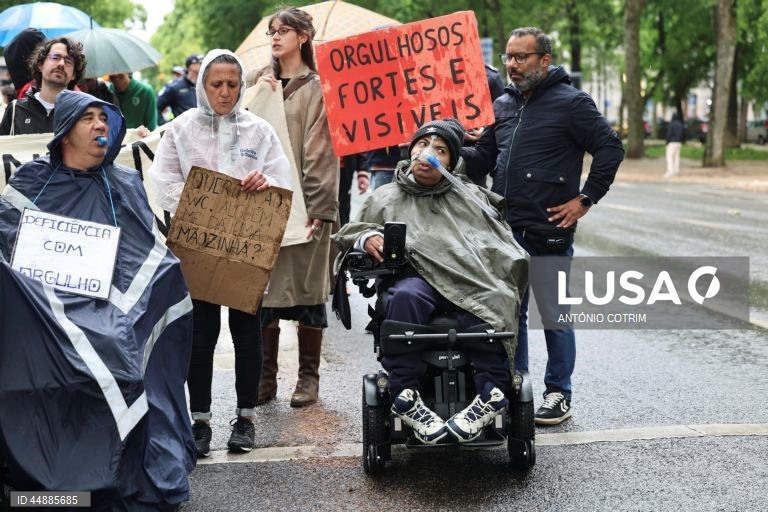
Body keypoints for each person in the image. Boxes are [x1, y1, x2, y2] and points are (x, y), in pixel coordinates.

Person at [0, 90, 195, 509]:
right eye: (88, 118)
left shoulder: (123, 183)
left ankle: (118, 471)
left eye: (104, 118)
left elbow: (149, 257)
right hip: (45, 310)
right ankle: (53, 479)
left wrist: (123, 306)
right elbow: (10, 247)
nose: (100, 126)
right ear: (66, 131)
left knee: (122, 343)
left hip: (116, 307)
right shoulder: (32, 181)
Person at [462, 27, 624, 425]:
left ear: (544, 60)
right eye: (508, 58)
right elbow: (482, 159)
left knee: (552, 314)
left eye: (521, 57)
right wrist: (441, 146)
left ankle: (558, 393)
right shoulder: (501, 105)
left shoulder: (572, 103)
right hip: (503, 230)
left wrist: (586, 199)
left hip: (548, 230)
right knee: (507, 315)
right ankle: (517, 387)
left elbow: (610, 148)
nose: (512, 65)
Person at [334, 119, 528, 444]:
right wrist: (367, 237)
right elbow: (349, 232)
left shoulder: (470, 196)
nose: (428, 153)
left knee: (496, 297)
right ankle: (406, 395)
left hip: (466, 280)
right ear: (411, 151)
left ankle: (491, 393)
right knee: (404, 298)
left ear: (451, 161)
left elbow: (500, 245)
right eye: (423, 145)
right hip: (414, 279)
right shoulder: (386, 197)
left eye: (440, 150)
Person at [150, 49, 292, 458]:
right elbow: (163, 181)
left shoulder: (259, 131)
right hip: (199, 248)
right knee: (202, 336)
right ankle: (200, 420)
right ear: (201, 85)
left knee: (247, 335)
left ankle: (245, 419)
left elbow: (281, 179)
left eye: (233, 84)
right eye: (217, 84)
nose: (225, 92)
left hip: (247, 246)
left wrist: (263, 180)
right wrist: (202, 205)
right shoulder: (180, 130)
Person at [251, 7, 339, 408]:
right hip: (263, 206)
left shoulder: (318, 88)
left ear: (303, 36)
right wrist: (255, 89)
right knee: (263, 293)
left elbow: (321, 151)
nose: (274, 36)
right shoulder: (259, 84)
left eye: (282, 30)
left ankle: (308, 378)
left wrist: (320, 205)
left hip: (308, 205)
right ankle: (265, 377)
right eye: (271, 31)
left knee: (307, 292)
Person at [0, 37, 85, 135]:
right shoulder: (15, 110)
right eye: (55, 57)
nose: (61, 64)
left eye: (68, 61)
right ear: (40, 64)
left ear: (74, 74)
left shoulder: (81, 113)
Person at [156, 54, 202, 125]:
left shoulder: (205, 85)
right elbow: (156, 108)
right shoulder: (174, 86)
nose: (205, 65)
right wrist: (166, 126)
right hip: (182, 133)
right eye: (201, 63)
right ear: (192, 66)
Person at [664, 112, 685, 177]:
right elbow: (684, 133)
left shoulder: (671, 124)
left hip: (672, 142)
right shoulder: (680, 124)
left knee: (669, 157)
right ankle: (676, 171)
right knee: (677, 157)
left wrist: (667, 142)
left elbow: (669, 134)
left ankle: (670, 171)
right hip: (679, 142)